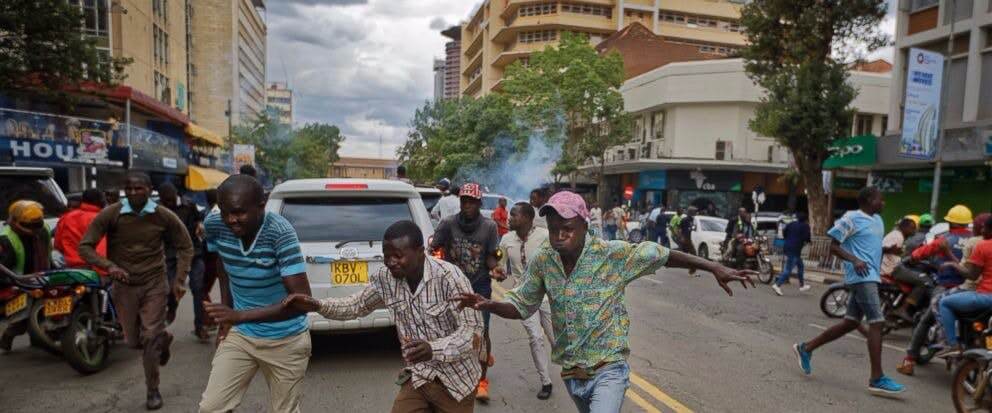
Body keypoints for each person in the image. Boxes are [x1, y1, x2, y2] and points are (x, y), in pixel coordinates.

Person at [450, 190, 754, 413]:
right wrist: (487, 303)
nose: (558, 236)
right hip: (572, 373)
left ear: (585, 225)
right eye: (554, 229)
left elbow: (661, 255)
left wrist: (714, 266)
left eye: (567, 229)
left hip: (609, 368)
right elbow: (522, 303)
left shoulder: (610, 253)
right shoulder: (545, 260)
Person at [284, 221, 483, 412]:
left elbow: (473, 333)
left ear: (420, 252)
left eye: (398, 255)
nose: (390, 262)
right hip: (420, 376)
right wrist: (317, 305)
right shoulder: (386, 279)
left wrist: (433, 349)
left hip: (456, 382)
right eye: (386, 256)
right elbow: (356, 305)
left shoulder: (450, 278)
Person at [197, 175, 313, 413]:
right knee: (211, 408)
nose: (231, 220)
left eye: (239, 213)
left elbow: (303, 303)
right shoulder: (214, 224)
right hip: (242, 336)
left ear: (262, 205)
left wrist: (238, 316)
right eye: (226, 211)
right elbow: (223, 262)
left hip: (287, 339)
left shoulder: (280, 232)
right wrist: (226, 316)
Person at [79, 172, 194, 410]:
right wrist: (110, 267)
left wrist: (179, 280)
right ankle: (163, 339)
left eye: (138, 189)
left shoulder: (163, 215)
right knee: (132, 342)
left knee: (149, 337)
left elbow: (186, 246)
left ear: (149, 189)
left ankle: (153, 390)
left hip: (154, 283)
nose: (133, 193)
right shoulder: (111, 214)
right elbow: (85, 246)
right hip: (124, 286)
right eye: (129, 189)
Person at [791, 187, 906, 397]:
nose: (884, 203)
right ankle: (876, 378)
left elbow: (873, 246)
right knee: (877, 322)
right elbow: (833, 246)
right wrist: (854, 260)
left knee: (851, 322)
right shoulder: (851, 218)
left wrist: (890, 251)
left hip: (871, 276)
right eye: (881, 199)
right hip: (861, 276)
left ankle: (806, 348)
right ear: (870, 200)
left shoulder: (878, 221)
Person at [430, 183, 502, 402]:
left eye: (472, 201)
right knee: (450, 331)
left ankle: (481, 381)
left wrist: (495, 268)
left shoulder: (489, 227)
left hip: (479, 286)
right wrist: (433, 253)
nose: (467, 205)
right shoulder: (448, 224)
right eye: (464, 201)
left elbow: (491, 256)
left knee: (482, 333)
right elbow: (434, 247)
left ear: (479, 203)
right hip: (452, 287)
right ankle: (449, 374)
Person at [897, 212, 990, 375]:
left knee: (927, 318)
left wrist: (910, 259)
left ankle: (910, 359)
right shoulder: (974, 240)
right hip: (975, 291)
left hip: (952, 286)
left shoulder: (946, 239)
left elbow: (921, 253)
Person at [495, 202, 554, 400]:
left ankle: (573, 373)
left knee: (556, 338)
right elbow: (500, 266)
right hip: (523, 297)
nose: (509, 219)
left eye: (513, 215)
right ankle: (546, 381)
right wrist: (498, 272)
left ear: (528, 218)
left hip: (546, 295)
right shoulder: (505, 239)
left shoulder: (545, 236)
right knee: (535, 338)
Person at [934, 217, 992, 358]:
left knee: (944, 302)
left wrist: (953, 265)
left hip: (985, 297)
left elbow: (971, 275)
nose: (982, 230)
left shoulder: (983, 246)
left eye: (985, 227)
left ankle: (952, 344)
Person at [0, 200, 52, 353]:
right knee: (23, 315)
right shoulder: (6, 239)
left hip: (42, 275)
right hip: (15, 282)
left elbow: (48, 252)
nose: (35, 229)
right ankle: (7, 337)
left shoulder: (44, 229)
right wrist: (12, 282)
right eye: (30, 226)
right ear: (15, 222)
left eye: (37, 224)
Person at [158, 183, 209, 339]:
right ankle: (172, 308)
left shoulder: (189, 205)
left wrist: (200, 225)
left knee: (198, 288)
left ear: (176, 196)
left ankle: (200, 326)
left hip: (194, 252)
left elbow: (200, 220)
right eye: (165, 201)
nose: (169, 204)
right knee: (171, 287)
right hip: (171, 254)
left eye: (170, 200)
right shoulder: (158, 210)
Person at [54, 189, 107, 272]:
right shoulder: (102, 219)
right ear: (99, 201)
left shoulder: (66, 218)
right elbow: (102, 250)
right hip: (94, 270)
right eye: (104, 199)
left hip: (71, 269)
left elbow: (57, 245)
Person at [883, 218, 921, 320]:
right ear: (903, 227)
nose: (914, 231)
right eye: (912, 228)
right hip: (892, 269)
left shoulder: (899, 236)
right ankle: (904, 309)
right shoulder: (897, 236)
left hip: (894, 267)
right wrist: (889, 249)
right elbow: (881, 248)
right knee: (924, 281)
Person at [772, 212, 812, 296]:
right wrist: (808, 242)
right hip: (795, 249)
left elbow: (784, 232)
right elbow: (807, 237)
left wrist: (788, 239)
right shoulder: (805, 226)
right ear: (806, 219)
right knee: (788, 269)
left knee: (800, 266)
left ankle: (802, 285)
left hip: (787, 246)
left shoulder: (791, 224)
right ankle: (777, 285)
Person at [680, 207, 699, 276]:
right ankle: (692, 271)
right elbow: (681, 229)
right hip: (686, 239)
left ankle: (691, 270)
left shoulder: (691, 219)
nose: (696, 213)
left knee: (683, 255)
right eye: (695, 212)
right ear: (691, 212)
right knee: (694, 255)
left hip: (687, 238)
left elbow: (690, 228)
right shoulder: (685, 220)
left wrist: (693, 228)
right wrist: (682, 238)